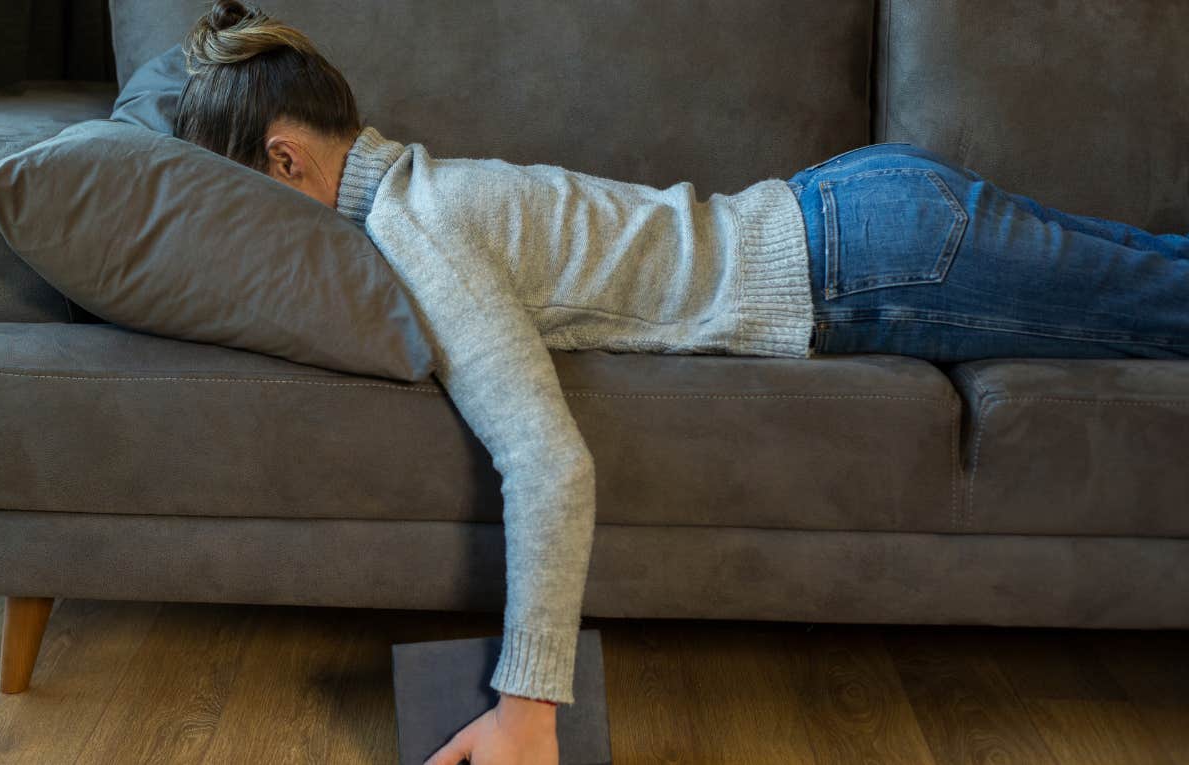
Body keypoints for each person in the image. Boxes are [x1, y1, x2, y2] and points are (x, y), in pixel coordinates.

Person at [173, 2, 1189, 763]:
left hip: (874, 262)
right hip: (865, 206)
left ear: (284, 158)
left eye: (240, 205)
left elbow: (545, 462)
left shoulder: (419, 230)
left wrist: (527, 707)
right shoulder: (429, 183)